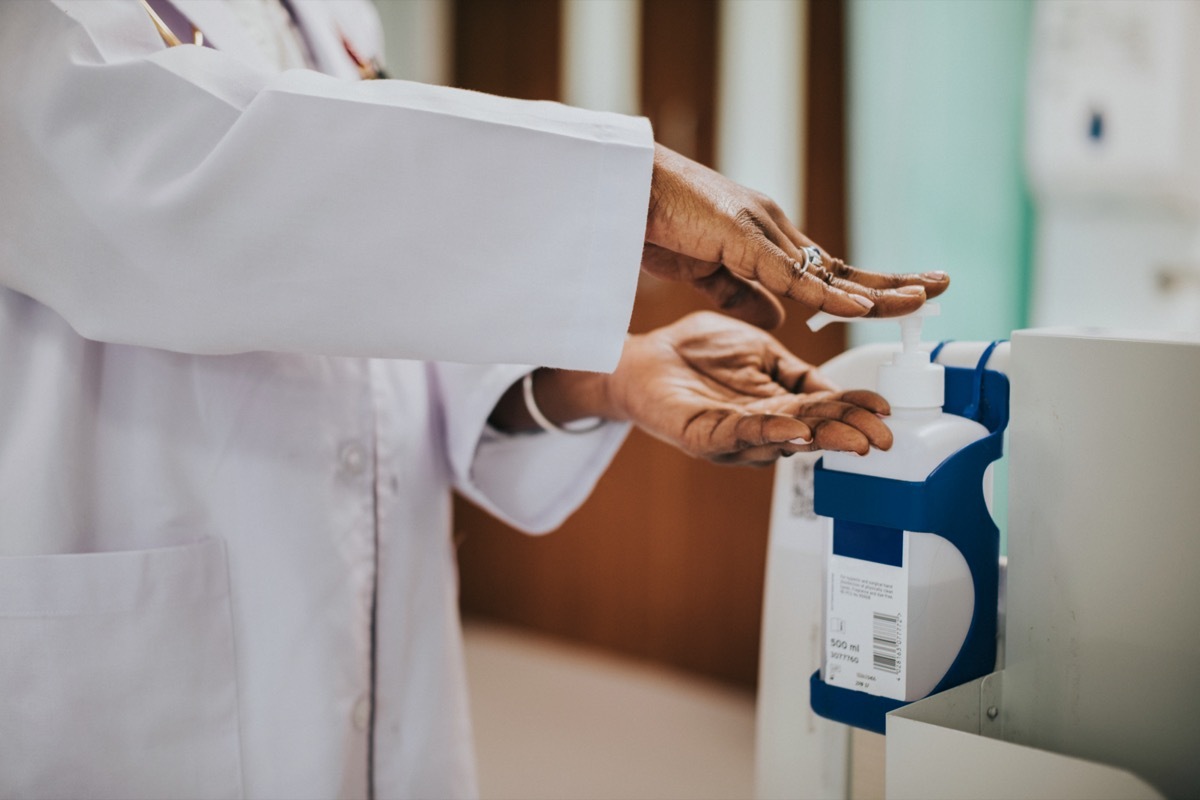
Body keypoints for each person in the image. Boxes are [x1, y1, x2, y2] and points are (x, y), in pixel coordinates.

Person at [0, 1, 947, 798]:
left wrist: (604, 371)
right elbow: (177, 192)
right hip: (129, 659)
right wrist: (633, 189)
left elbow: (361, 289)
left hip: (373, 637)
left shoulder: (331, 12)